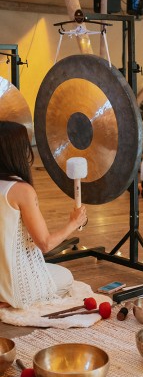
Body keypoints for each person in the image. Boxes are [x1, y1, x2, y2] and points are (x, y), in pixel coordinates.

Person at [0, 121, 88, 309]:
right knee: (66, 277)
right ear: (16, 152)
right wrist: (74, 222)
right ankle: (10, 302)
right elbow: (45, 244)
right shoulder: (22, 191)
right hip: (13, 285)